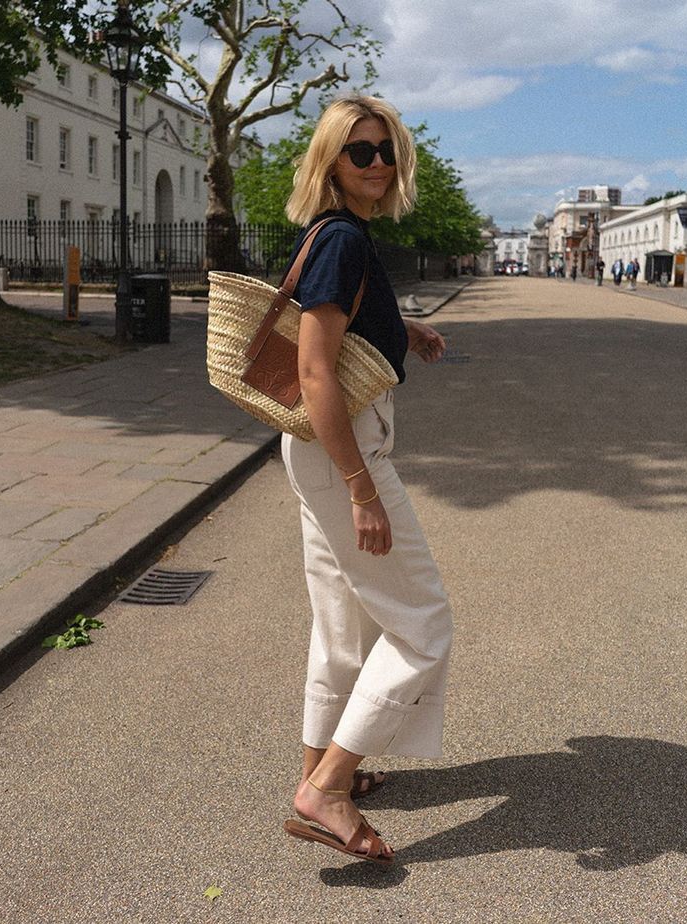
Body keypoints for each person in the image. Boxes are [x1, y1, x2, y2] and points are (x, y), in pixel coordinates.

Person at [280, 95, 454, 868]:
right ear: (332, 160)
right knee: (423, 625)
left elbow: (337, 324)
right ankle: (326, 793)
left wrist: (401, 328)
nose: (378, 162)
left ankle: (321, 772)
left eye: (387, 149)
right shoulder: (343, 240)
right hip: (342, 450)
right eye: (361, 151)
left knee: (343, 628)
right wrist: (361, 488)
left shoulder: (339, 234)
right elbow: (315, 369)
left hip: (319, 449)